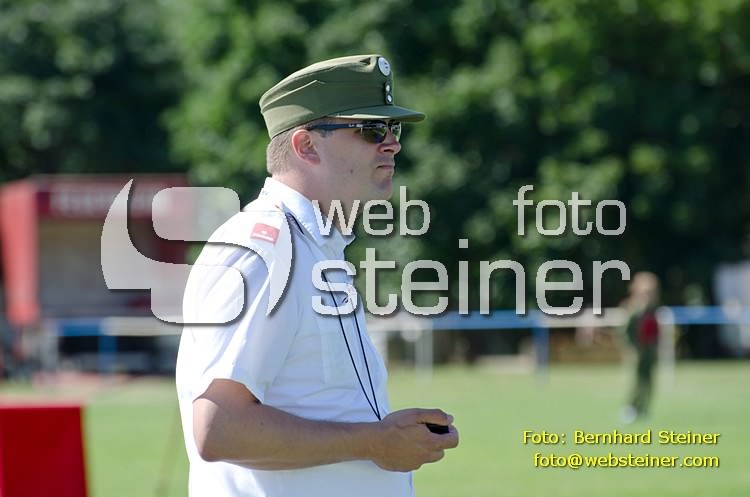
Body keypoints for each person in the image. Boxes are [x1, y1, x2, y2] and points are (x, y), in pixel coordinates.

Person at [176, 54, 459, 497]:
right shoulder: (265, 250)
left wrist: (385, 440)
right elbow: (219, 427)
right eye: (371, 130)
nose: (392, 144)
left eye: (393, 129)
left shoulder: (312, 247)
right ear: (306, 146)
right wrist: (374, 443)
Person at [619, 271, 660, 423]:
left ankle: (644, 409)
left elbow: (655, 331)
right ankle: (631, 408)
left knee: (648, 382)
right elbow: (625, 332)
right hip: (637, 352)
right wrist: (633, 348)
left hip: (649, 352)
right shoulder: (633, 309)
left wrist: (654, 346)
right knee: (636, 381)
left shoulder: (653, 310)